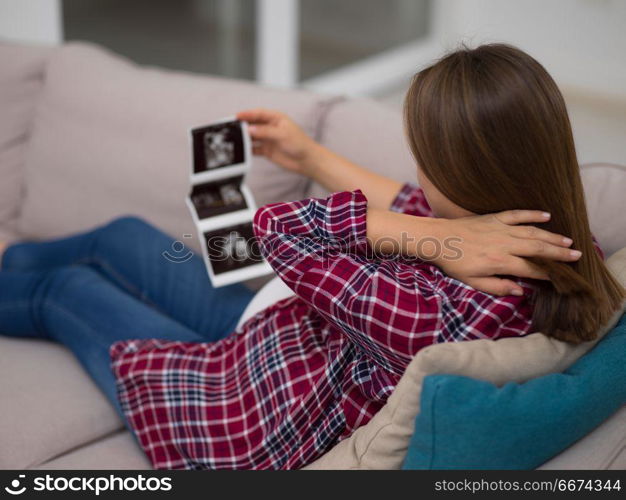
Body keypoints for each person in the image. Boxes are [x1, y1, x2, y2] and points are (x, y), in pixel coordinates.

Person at [0, 43, 623, 470]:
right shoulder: (553, 238)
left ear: (466, 175)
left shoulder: (431, 313)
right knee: (125, 235)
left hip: (236, 413)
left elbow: (280, 230)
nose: (418, 181)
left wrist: (438, 239)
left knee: (70, 292)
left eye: (427, 164)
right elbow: (410, 205)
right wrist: (308, 158)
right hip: (272, 338)